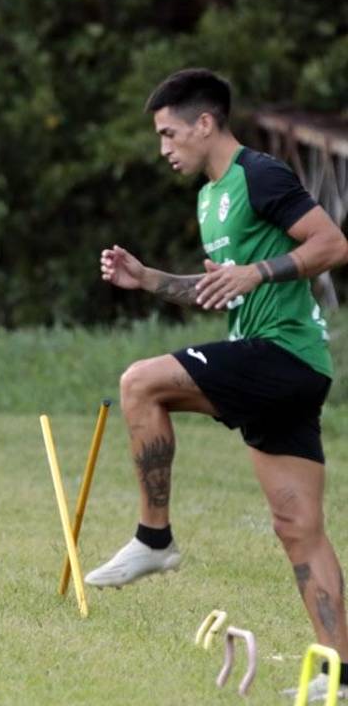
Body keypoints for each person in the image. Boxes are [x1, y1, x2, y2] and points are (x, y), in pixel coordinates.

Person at [86, 68, 348, 696]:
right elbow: (220, 290)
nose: (163, 148)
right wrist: (150, 280)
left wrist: (257, 272)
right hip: (280, 366)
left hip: (283, 355)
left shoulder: (259, 175)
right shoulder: (209, 197)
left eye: (169, 134)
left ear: (205, 123)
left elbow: (332, 243)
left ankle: (155, 538)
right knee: (297, 527)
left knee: (140, 384)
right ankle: (341, 678)